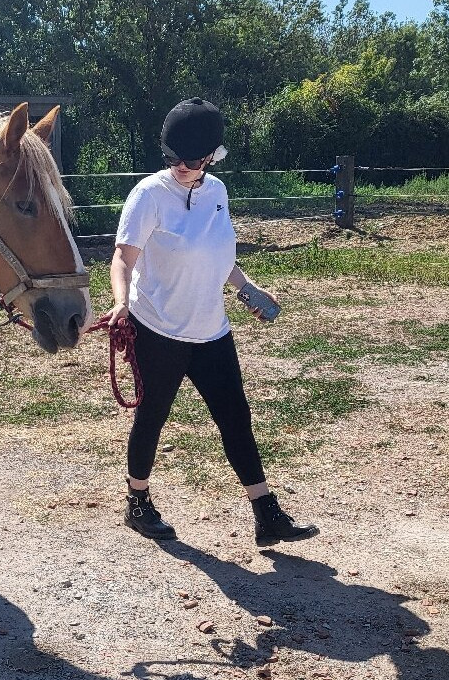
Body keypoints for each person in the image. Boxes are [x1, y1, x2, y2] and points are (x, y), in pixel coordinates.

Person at [106, 97, 318, 547]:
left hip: (211, 330)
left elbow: (219, 256)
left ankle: (266, 513)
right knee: (152, 416)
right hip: (158, 328)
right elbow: (123, 258)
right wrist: (122, 304)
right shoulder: (148, 195)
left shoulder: (217, 193)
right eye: (173, 158)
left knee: (236, 419)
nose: (181, 166)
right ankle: (138, 504)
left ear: (212, 156)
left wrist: (248, 288)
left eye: (192, 159)